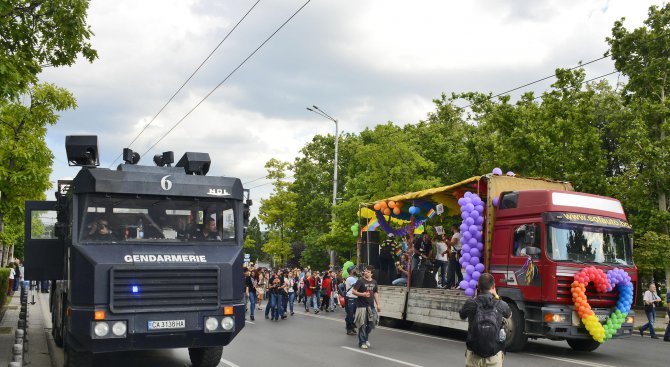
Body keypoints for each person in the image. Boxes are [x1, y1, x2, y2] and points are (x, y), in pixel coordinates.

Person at [459, 273, 511, 367]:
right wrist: (496, 296)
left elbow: (462, 315)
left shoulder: (471, 303)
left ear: (478, 286)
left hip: (474, 355)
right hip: (494, 355)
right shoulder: (500, 304)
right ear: (493, 286)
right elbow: (509, 315)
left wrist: (475, 297)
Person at [353, 265, 380, 349]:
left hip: (371, 306)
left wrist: (378, 304)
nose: (366, 272)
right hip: (362, 306)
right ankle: (362, 342)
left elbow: (375, 293)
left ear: (371, 273)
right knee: (363, 324)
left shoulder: (374, 282)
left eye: (368, 272)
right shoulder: (360, 281)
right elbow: (354, 291)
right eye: (365, 271)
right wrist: (363, 294)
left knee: (372, 323)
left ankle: (366, 337)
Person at [446, 224, 463, 289]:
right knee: (458, 270)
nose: (450, 229)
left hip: (455, 254)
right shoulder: (459, 234)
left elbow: (453, 243)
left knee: (450, 269)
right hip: (457, 253)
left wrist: (447, 241)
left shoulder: (456, 235)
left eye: (451, 227)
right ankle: (461, 283)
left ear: (453, 228)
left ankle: (448, 285)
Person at [344, 268, 359, 335]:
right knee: (350, 314)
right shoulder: (350, 279)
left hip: (354, 297)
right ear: (351, 271)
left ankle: (351, 326)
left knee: (354, 314)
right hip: (351, 298)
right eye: (354, 269)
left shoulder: (355, 278)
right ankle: (349, 328)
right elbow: (357, 286)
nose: (356, 270)